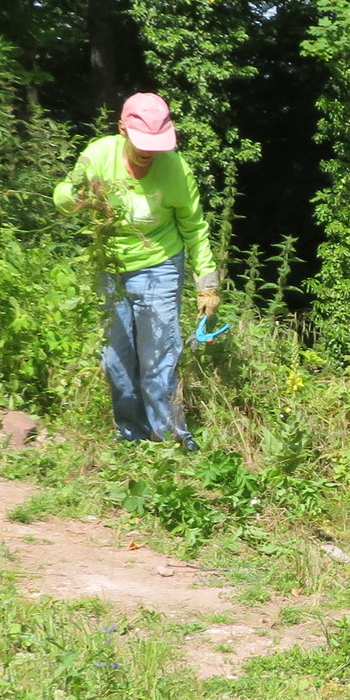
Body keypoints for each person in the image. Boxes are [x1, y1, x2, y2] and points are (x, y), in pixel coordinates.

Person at [53, 91, 222, 448]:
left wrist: (207, 283)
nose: (149, 153)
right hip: (110, 268)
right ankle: (131, 436)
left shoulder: (176, 170)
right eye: (143, 143)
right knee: (116, 360)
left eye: (156, 145)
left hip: (160, 267)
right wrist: (80, 198)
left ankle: (171, 440)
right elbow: (63, 196)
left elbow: (194, 227)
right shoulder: (99, 155)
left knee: (158, 358)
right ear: (121, 130)